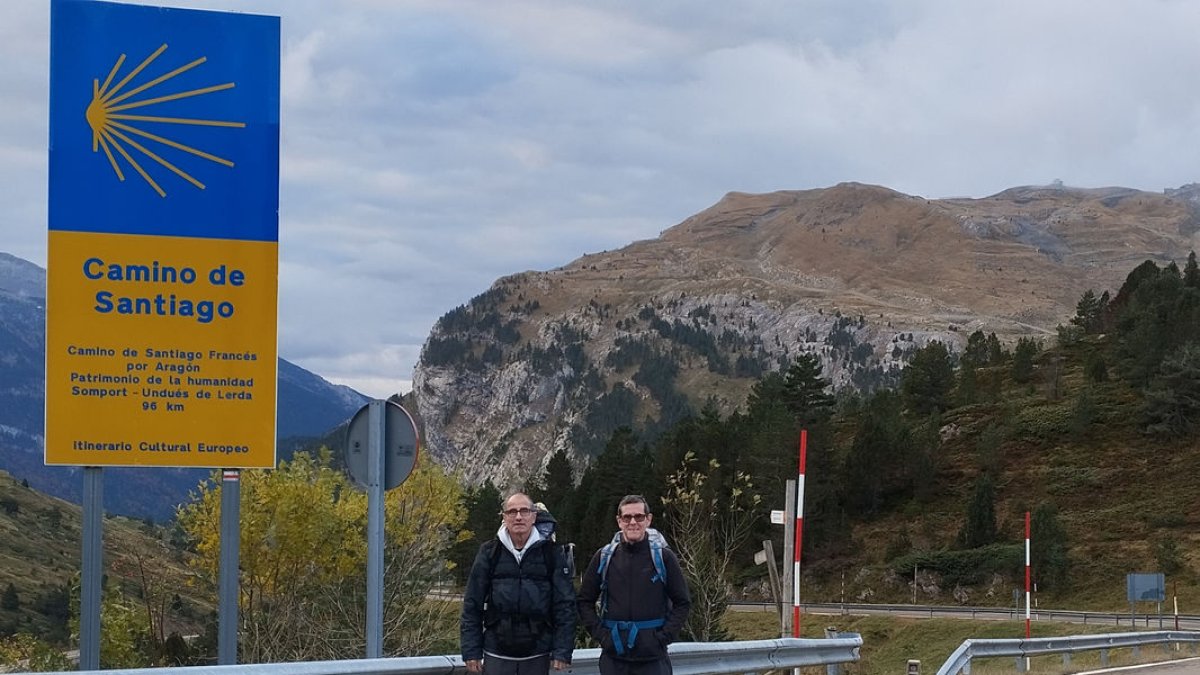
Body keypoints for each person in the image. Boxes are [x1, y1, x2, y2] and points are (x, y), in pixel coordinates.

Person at [461, 493, 575, 675]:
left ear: (534, 516)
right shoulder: (489, 552)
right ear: (504, 517)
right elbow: (472, 604)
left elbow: (565, 605)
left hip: (538, 653)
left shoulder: (552, 553)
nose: (519, 516)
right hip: (496, 652)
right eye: (512, 511)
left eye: (524, 511)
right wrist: (471, 649)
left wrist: (562, 650)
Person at [578, 495, 691, 675]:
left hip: (653, 660)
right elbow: (584, 601)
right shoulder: (604, 557)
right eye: (627, 517)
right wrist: (603, 636)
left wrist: (662, 638)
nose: (633, 522)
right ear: (619, 521)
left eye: (639, 517)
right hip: (614, 659)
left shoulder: (664, 558)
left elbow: (682, 602)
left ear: (648, 520)